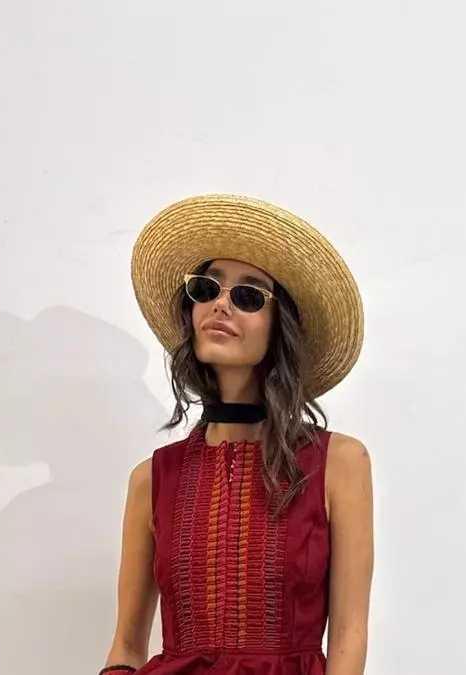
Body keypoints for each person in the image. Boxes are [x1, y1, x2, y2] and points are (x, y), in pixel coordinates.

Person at [100, 194, 374, 675]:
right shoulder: (151, 479)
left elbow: (350, 633)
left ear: (281, 326)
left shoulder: (339, 463)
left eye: (248, 296)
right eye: (206, 289)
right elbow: (126, 645)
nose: (221, 304)